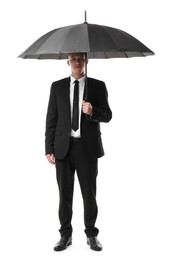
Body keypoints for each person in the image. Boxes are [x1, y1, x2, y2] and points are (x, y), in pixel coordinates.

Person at [45, 52, 112, 251]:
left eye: (81, 58)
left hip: (87, 148)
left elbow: (108, 115)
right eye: (73, 58)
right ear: (68, 61)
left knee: (89, 194)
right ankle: (65, 235)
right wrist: (49, 148)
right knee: (64, 194)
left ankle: (91, 234)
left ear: (86, 61)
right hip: (63, 149)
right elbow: (51, 119)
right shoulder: (57, 87)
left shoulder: (97, 86)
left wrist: (92, 111)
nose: (77, 62)